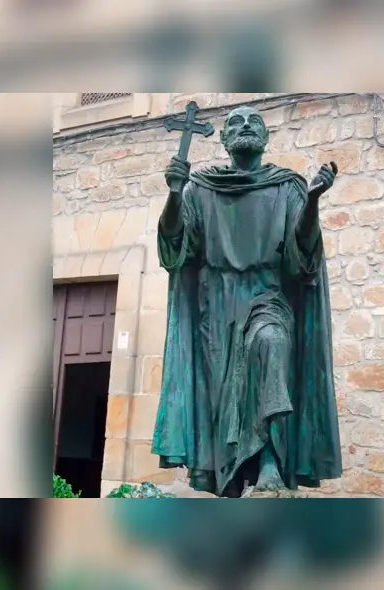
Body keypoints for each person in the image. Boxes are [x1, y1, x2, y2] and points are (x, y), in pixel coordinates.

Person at [151, 105, 342, 497]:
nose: (244, 126)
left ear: (266, 136)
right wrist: (173, 194)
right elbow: (174, 250)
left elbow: (301, 256)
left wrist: (313, 202)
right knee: (225, 401)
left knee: (270, 343)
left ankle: (270, 459)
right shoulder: (200, 189)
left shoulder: (288, 187)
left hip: (268, 297)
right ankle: (231, 481)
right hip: (216, 309)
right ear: (222, 139)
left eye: (254, 121)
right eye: (235, 122)